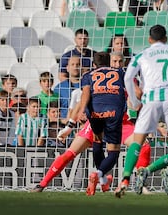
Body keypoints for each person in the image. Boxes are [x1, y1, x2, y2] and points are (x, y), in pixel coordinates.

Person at [114, 24, 168, 198]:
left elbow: (127, 77)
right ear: (166, 38)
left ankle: (124, 179)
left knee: (137, 142)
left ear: (149, 39)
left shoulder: (142, 54)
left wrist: (133, 99)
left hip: (151, 100)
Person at [31, 52, 126, 195]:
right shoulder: (121, 76)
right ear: (110, 63)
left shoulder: (89, 77)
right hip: (116, 120)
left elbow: (83, 101)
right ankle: (103, 178)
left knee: (71, 153)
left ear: (94, 65)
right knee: (118, 149)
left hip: (95, 118)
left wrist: (70, 125)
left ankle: (42, 184)